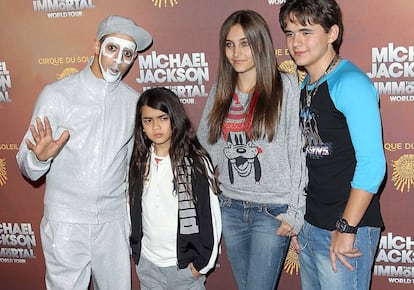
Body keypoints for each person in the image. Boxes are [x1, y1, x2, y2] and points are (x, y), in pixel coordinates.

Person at [16, 15, 152, 290]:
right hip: (65, 222)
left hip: (112, 223)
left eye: (127, 53)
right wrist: (39, 158)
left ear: (133, 59)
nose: (118, 60)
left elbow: (131, 167)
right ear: (96, 47)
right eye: (112, 48)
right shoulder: (56, 95)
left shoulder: (134, 103)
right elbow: (26, 163)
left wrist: (126, 219)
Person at [279, 1, 386, 289]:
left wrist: (346, 227)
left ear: (332, 33)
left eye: (305, 32)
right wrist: (301, 221)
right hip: (312, 225)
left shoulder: (350, 82)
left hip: (346, 227)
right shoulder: (307, 85)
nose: (295, 42)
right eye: (289, 33)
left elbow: (373, 165)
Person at [197, 10, 307, 290]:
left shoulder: (288, 88)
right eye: (230, 44)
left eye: (245, 43)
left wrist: (296, 211)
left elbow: (299, 154)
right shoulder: (221, 90)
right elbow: (205, 151)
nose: (236, 52)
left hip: (272, 212)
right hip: (230, 208)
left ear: (261, 44)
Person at [128, 87, 222, 290]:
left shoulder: (195, 162)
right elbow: (133, 209)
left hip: (184, 270)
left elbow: (210, 217)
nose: (156, 126)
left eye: (162, 118)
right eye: (148, 120)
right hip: (148, 266)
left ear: (174, 118)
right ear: (141, 125)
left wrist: (200, 265)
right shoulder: (139, 161)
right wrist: (137, 253)